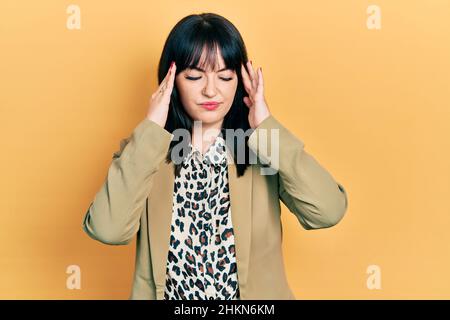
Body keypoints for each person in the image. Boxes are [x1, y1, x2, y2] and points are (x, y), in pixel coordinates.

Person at [82, 12, 348, 300]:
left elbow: (328, 211)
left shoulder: (263, 149)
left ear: (241, 81)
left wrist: (266, 126)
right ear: (171, 82)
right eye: (194, 76)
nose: (211, 90)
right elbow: (107, 230)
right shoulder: (147, 153)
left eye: (224, 76)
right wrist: (151, 128)